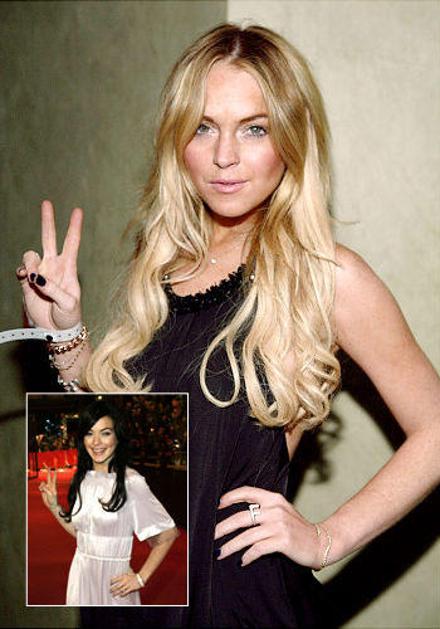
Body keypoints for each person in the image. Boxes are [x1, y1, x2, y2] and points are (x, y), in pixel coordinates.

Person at [16, 22, 440, 627]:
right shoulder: (162, 265)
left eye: (254, 128)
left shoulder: (325, 277)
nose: (224, 156)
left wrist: (327, 538)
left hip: (237, 606)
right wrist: (63, 334)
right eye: (204, 126)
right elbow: (131, 446)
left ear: (290, 138)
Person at [38, 398, 178, 605]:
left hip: (114, 585)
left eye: (105, 433)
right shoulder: (83, 478)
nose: (96, 442)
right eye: (89, 433)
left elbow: (168, 534)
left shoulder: (131, 482)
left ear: (117, 437)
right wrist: (54, 506)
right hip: (81, 576)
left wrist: (140, 578)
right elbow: (82, 535)